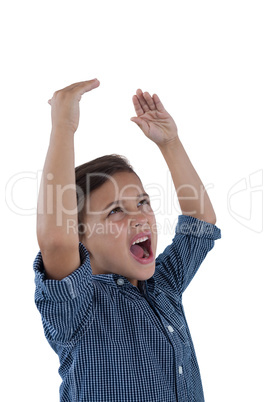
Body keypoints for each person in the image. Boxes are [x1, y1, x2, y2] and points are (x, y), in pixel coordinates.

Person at [34, 79, 221, 401]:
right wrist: (63, 127)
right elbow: (55, 241)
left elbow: (200, 221)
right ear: (79, 235)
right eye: (115, 211)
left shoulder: (164, 285)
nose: (140, 217)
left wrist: (170, 143)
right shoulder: (79, 308)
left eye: (143, 202)